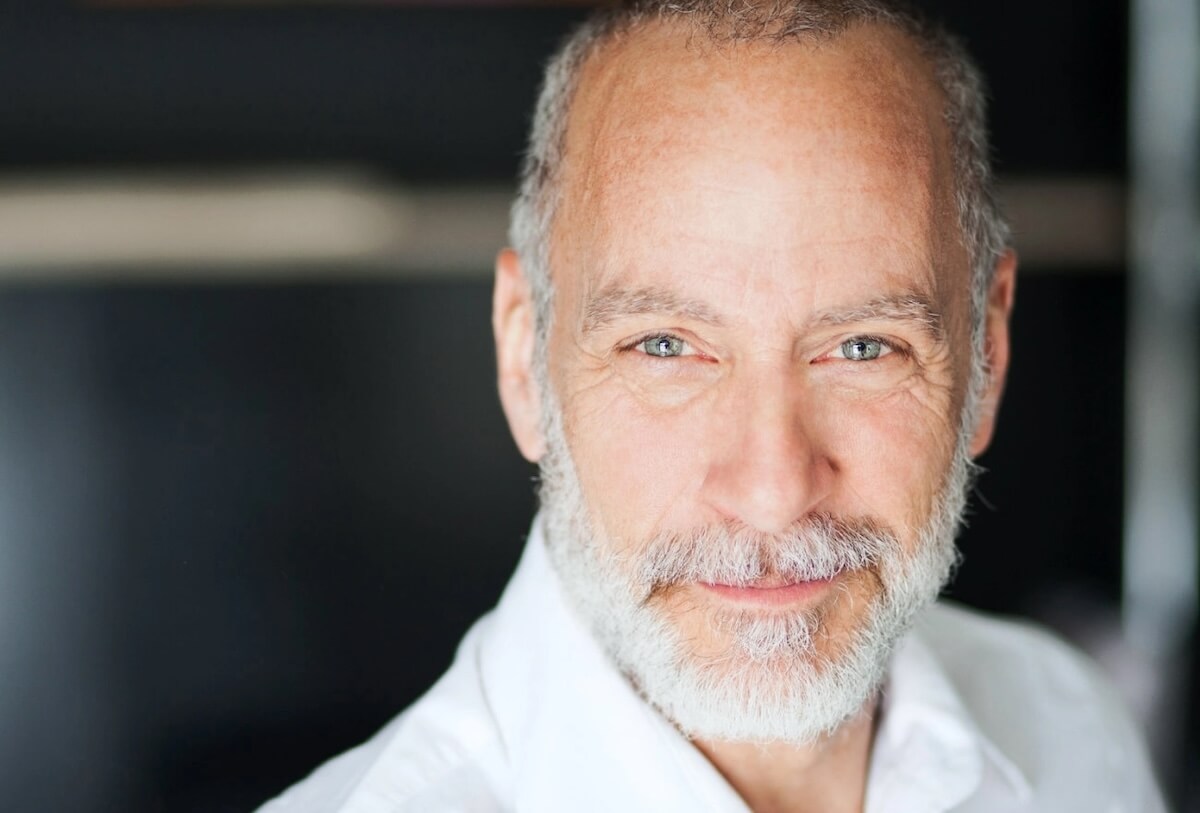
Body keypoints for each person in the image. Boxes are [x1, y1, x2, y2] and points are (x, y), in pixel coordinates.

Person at [259, 1, 1167, 810]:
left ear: (987, 358)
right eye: (665, 347)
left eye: (862, 347)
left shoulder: (1071, 736)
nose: (773, 491)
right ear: (523, 359)